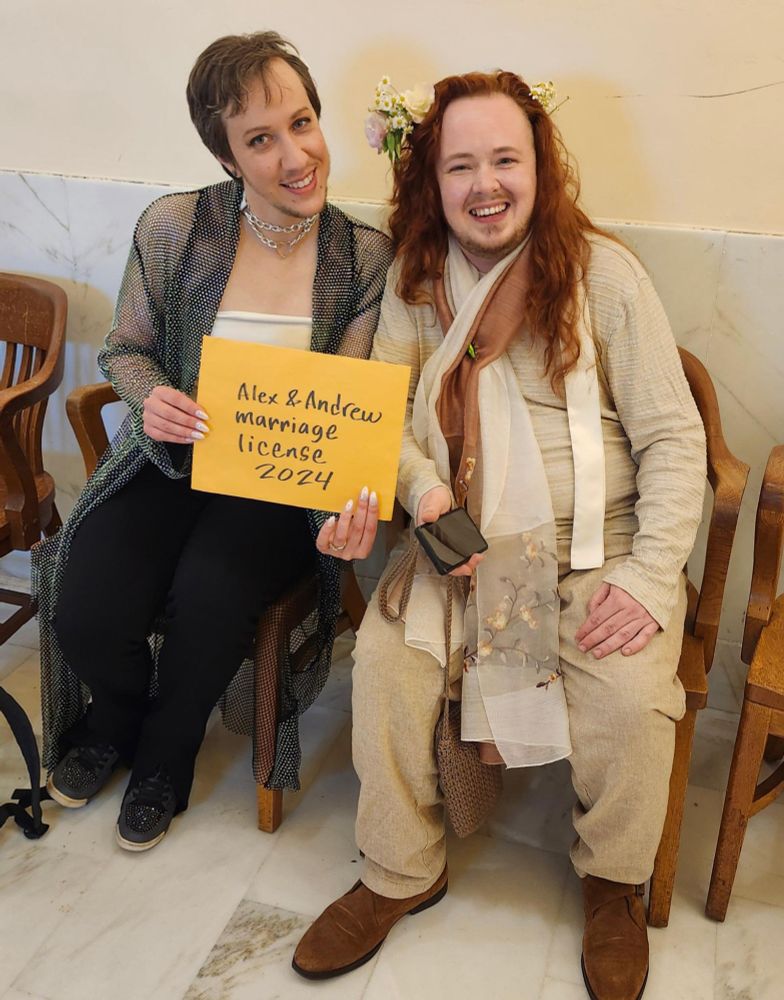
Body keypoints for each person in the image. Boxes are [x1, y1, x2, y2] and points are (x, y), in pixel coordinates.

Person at [292, 70, 706, 999]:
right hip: (466, 543)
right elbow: (385, 417)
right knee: (390, 667)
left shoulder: (605, 274)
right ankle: (399, 870)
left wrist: (646, 581)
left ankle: (612, 885)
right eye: (461, 165)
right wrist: (426, 495)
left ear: (539, 167)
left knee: (635, 699)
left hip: (600, 547)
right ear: (430, 182)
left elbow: (677, 440)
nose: (486, 184)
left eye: (506, 160)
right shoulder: (417, 283)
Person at [34, 31, 391, 852]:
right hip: (169, 461)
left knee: (209, 598)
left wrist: (347, 491)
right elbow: (125, 348)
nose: (295, 155)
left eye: (302, 123)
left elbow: (351, 406)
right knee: (85, 600)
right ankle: (120, 718)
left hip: (278, 487)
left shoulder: (364, 257)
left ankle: (164, 758)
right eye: (261, 140)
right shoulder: (173, 227)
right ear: (227, 158)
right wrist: (151, 396)